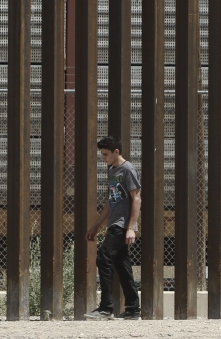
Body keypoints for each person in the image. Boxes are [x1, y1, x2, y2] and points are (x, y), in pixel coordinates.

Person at [83, 137, 142, 320]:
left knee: (104, 256)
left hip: (122, 224)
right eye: (102, 154)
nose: (104, 158)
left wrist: (131, 227)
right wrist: (96, 225)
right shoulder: (113, 170)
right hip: (114, 222)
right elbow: (112, 201)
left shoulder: (128, 170)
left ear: (116, 152)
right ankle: (133, 309)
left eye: (106, 154)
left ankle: (106, 308)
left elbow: (137, 198)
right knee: (122, 265)